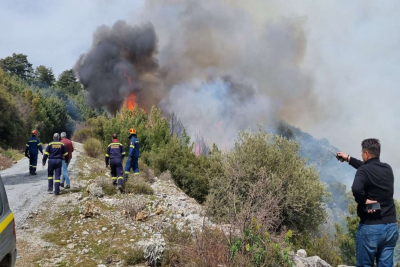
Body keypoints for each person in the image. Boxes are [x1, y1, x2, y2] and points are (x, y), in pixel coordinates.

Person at [337, 138, 398, 267]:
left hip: (371, 227)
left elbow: (356, 189)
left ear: (366, 154)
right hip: (391, 227)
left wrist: (364, 201)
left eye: (362, 152)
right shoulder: (388, 169)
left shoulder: (363, 171)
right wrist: (347, 158)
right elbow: (366, 166)